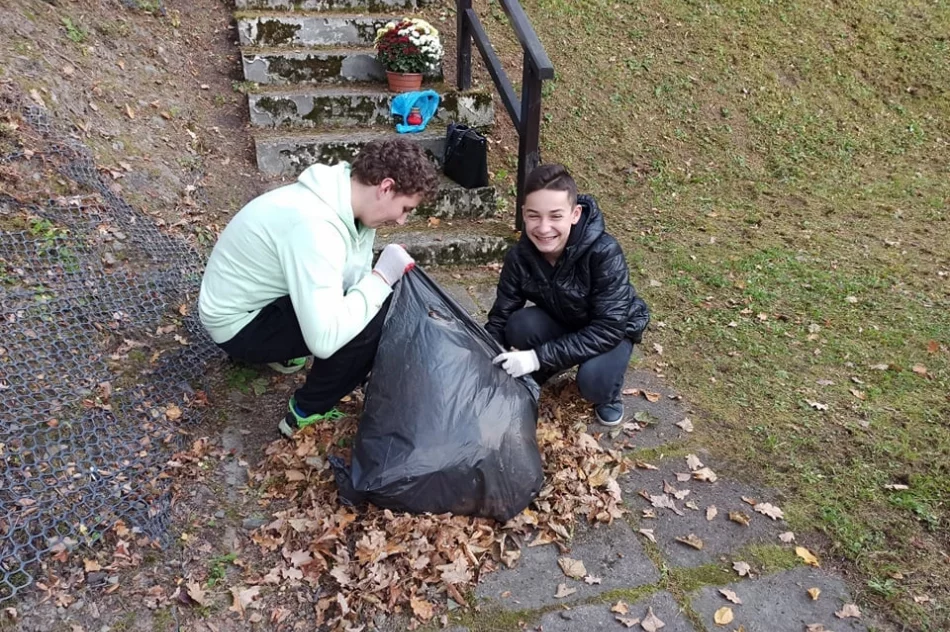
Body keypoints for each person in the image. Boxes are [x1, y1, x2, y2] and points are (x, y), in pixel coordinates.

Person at [198, 139, 439, 437]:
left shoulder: (347, 204)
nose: (402, 220)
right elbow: (324, 341)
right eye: (405, 208)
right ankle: (306, 411)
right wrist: (380, 279)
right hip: (236, 326)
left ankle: (282, 350)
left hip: (252, 303)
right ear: (385, 187)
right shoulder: (315, 226)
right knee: (374, 312)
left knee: (367, 300)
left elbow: (351, 279)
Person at [486, 163, 650, 426]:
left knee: (593, 382)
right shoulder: (519, 256)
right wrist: (484, 363)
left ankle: (609, 394)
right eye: (534, 216)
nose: (544, 227)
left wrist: (535, 357)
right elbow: (500, 316)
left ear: (575, 214)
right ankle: (552, 363)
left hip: (612, 331)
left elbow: (608, 328)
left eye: (555, 216)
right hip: (564, 319)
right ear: (524, 215)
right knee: (517, 325)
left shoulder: (604, 252)